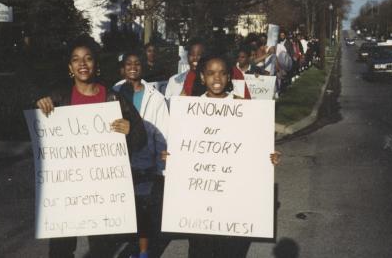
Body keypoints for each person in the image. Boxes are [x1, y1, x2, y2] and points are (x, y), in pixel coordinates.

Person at [35, 35, 147, 258]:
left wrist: (129, 130)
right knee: (60, 248)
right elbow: (39, 131)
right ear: (70, 67)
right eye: (76, 60)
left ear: (96, 64)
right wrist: (38, 104)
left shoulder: (113, 98)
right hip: (67, 186)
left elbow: (141, 138)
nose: (82, 64)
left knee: (102, 248)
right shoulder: (58, 97)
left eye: (88, 59)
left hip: (102, 188)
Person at [165, 54, 280, 258]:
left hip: (232, 205)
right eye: (210, 73)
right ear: (202, 77)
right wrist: (172, 156)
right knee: (200, 251)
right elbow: (183, 147)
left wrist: (268, 158)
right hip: (200, 206)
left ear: (229, 77)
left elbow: (255, 145)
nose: (216, 78)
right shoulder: (190, 109)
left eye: (222, 73)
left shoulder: (242, 107)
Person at [113, 52, 169, 258]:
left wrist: (161, 167)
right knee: (124, 210)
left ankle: (143, 253)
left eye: (137, 63)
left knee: (143, 211)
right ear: (122, 68)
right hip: (119, 161)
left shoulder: (156, 98)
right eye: (128, 64)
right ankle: (127, 249)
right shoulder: (114, 92)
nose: (133, 67)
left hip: (145, 163)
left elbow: (163, 133)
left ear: (143, 68)